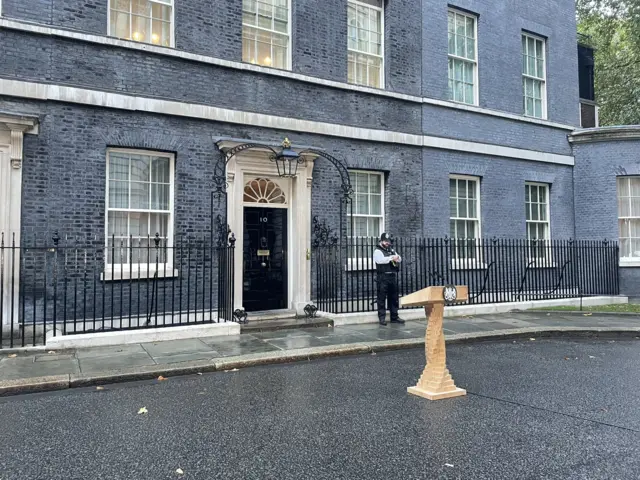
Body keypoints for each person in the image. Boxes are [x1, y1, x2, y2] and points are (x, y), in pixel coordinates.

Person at [373, 232, 404, 326]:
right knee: (381, 298)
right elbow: (380, 260)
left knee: (394, 297)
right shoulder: (377, 251)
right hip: (383, 276)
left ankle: (394, 317)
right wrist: (391, 258)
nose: (387, 243)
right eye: (385, 241)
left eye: (388, 241)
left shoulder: (391, 249)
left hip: (392, 276)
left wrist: (396, 257)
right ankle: (382, 318)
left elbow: (400, 259)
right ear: (381, 241)